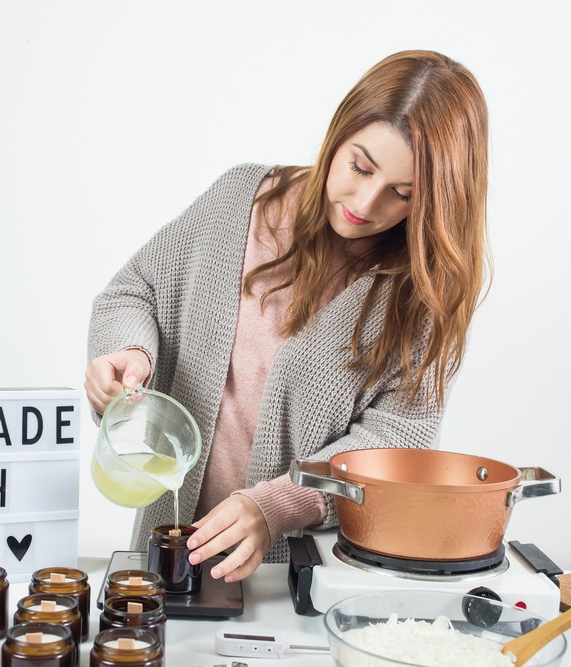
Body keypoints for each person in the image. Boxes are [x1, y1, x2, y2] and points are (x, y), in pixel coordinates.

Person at [85, 49, 489, 583]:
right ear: (337, 135)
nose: (366, 203)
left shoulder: (420, 299)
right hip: (169, 562)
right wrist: (129, 352)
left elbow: (398, 439)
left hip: (303, 581)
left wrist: (275, 507)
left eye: (402, 194)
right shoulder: (240, 201)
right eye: (360, 166)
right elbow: (135, 289)